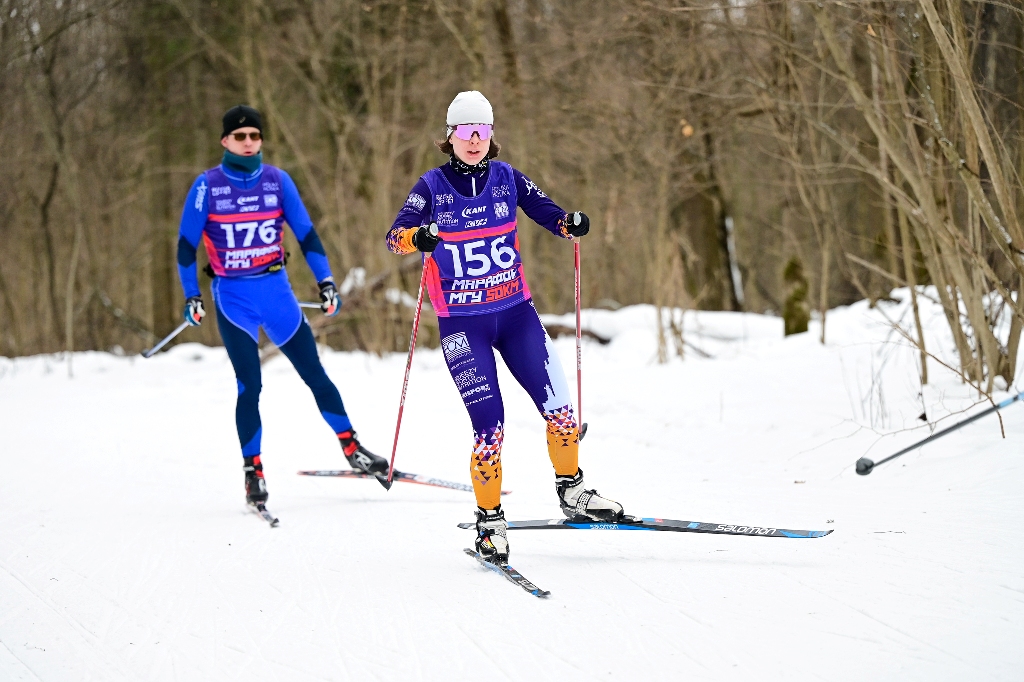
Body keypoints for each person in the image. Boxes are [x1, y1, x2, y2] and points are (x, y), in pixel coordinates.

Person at [386, 91, 626, 562]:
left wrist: (568, 224)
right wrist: (420, 236)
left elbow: (546, 211)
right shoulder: (431, 186)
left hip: (516, 315)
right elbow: (395, 237)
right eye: (464, 131)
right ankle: (490, 522)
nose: (473, 140)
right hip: (462, 325)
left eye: (482, 130)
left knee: (560, 411)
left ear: (491, 134)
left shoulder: (507, 178)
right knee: (489, 427)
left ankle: (573, 492)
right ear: (449, 136)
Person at [177, 105, 390, 508]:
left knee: (316, 373)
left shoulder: (277, 181)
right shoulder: (207, 186)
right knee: (250, 386)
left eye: (254, 136)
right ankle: (252, 470)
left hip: (277, 294)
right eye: (240, 136)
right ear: (225, 141)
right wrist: (192, 294)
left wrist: (326, 282)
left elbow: (307, 235)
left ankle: (353, 448)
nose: (248, 142)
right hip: (234, 299)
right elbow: (186, 246)